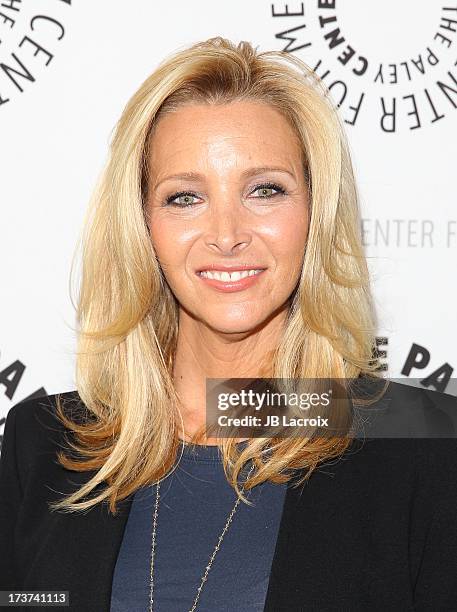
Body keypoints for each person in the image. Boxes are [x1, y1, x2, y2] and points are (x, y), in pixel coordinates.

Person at [1, 36, 456, 612]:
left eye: (266, 190)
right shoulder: (41, 444)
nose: (226, 232)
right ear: (143, 225)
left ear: (316, 213)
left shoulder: (424, 451)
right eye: (185, 197)